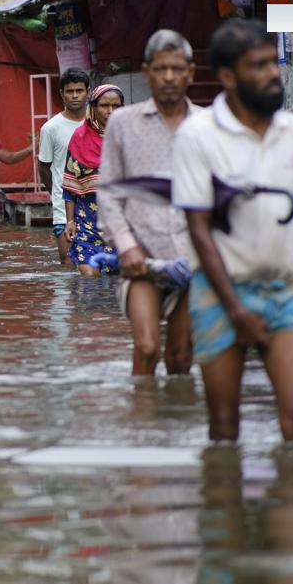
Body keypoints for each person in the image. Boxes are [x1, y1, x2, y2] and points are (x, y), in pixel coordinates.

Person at [172, 19, 293, 442]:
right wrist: (236, 309)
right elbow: (198, 230)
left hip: (286, 291)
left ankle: (292, 500)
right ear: (227, 77)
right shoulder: (196, 137)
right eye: (258, 65)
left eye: (273, 62)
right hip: (219, 295)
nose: (273, 73)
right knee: (224, 428)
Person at [97, 29, 198, 377]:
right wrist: (125, 246)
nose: (169, 77)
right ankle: (141, 426)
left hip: (194, 260)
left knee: (182, 357)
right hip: (142, 260)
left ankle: (177, 422)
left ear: (190, 72)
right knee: (146, 347)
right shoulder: (123, 123)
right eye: (160, 69)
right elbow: (108, 191)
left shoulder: (210, 126)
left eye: (176, 68)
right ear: (146, 72)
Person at [63, 84, 124, 276]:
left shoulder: (130, 137)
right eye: (105, 105)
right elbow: (70, 183)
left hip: (122, 222)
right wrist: (70, 221)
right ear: (93, 107)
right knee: (90, 278)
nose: (110, 111)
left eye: (116, 106)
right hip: (88, 222)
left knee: (120, 284)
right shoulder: (80, 138)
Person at [38, 68, 90, 265]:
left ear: (88, 92)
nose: (75, 95)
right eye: (70, 91)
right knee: (69, 265)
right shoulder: (50, 128)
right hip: (63, 206)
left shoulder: (97, 124)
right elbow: (44, 167)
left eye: (79, 90)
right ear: (61, 94)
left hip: (96, 204)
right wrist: (57, 194)